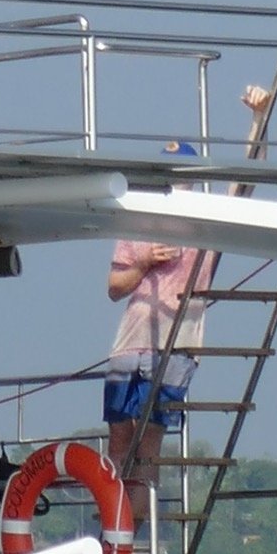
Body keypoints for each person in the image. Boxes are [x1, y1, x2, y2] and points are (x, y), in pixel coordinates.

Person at [102, 169, 222, 521]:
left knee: (149, 442)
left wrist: (257, 126)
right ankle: (116, 523)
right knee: (119, 439)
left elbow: (241, 188)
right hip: (129, 343)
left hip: (178, 344)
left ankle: (132, 532)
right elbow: (114, 288)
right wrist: (144, 261)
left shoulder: (207, 223)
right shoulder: (137, 225)